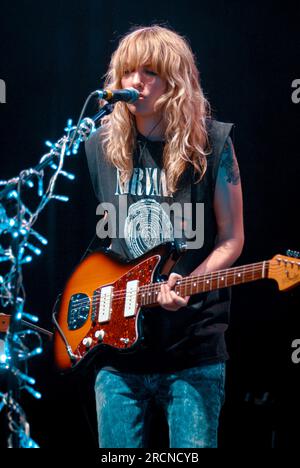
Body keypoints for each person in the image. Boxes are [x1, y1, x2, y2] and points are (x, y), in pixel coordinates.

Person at [85, 24, 244, 448]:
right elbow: (104, 241)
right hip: (117, 354)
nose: (135, 82)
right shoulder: (98, 146)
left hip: (192, 350)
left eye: (150, 72)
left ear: (175, 80)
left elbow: (232, 237)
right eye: (128, 71)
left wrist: (189, 285)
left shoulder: (212, 143)